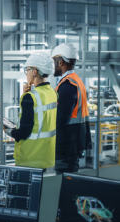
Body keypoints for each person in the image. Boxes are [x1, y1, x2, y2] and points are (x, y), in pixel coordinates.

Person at [5, 52, 57, 170]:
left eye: (27, 70)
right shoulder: (53, 93)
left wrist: (7, 130)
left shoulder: (30, 97)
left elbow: (24, 132)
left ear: (34, 72)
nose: (26, 73)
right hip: (46, 156)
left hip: (30, 157)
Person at [51, 43, 92, 173]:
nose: (53, 66)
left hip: (66, 143)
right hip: (73, 140)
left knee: (64, 182)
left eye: (54, 61)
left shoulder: (68, 85)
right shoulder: (76, 80)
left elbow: (61, 119)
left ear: (61, 62)